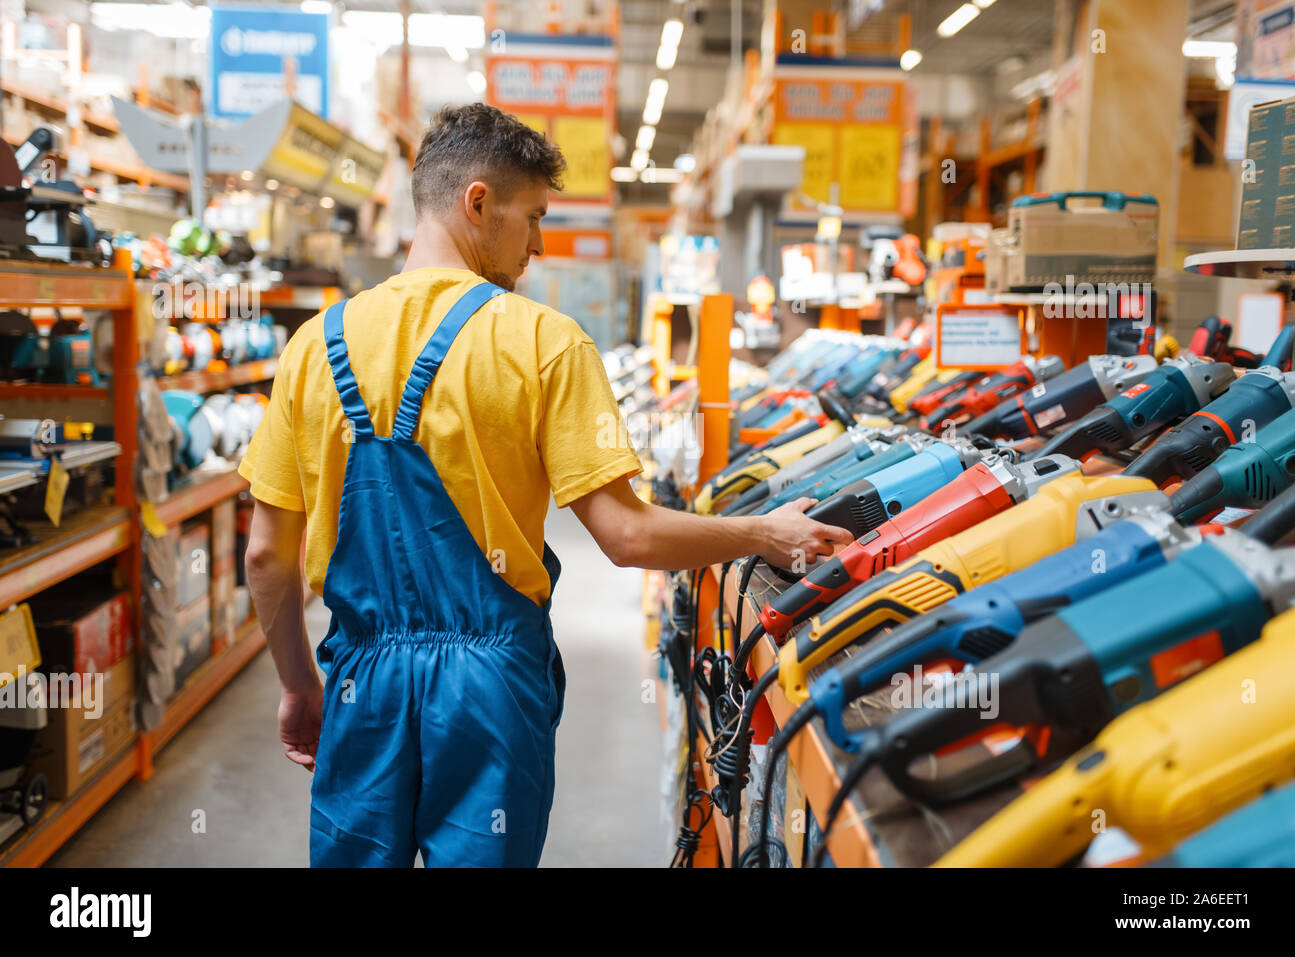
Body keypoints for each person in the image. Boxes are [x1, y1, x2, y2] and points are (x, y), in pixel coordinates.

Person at [240, 103, 852, 868]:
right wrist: (767, 533)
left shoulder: (310, 350)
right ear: (477, 203)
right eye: (533, 217)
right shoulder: (543, 341)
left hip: (362, 681)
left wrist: (301, 684)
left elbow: (267, 555)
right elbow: (627, 536)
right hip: (489, 689)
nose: (537, 244)